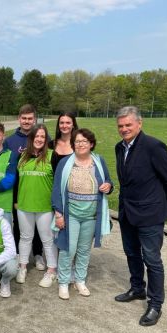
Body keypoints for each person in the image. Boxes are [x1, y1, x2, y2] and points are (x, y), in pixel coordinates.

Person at [114, 106, 167, 326]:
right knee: (131, 253)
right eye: (121, 125)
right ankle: (137, 288)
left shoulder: (153, 146)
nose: (124, 129)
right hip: (128, 213)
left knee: (152, 259)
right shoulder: (119, 148)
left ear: (139, 124)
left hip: (150, 214)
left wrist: (160, 204)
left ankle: (155, 304)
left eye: (128, 125)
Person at [52, 128, 113, 300]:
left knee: (84, 250)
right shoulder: (65, 163)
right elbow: (56, 189)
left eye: (84, 141)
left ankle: (80, 280)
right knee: (68, 249)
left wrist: (108, 186)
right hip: (70, 214)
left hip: (91, 215)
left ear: (91, 144)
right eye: (77, 141)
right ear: (73, 144)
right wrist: (58, 214)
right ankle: (63, 282)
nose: (80, 144)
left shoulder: (99, 161)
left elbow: (108, 182)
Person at [15, 125, 58, 287]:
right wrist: (16, 201)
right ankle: (22, 266)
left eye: (42, 136)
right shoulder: (22, 157)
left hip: (44, 207)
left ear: (46, 139)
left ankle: (52, 270)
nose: (39, 139)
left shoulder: (52, 156)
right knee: (25, 237)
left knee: (48, 240)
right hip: (24, 205)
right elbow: (18, 182)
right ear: (31, 138)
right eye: (36, 136)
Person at [5, 104, 45, 271]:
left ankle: (37, 254)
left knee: (37, 226)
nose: (27, 121)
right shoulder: (10, 141)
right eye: (24, 118)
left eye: (30, 118)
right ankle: (17, 255)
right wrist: (14, 197)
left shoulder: (42, 139)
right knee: (20, 226)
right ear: (19, 119)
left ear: (34, 119)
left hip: (38, 189)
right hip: (18, 190)